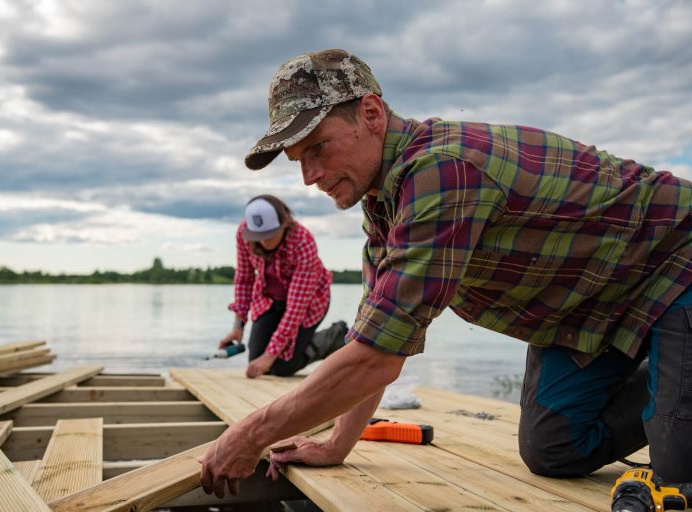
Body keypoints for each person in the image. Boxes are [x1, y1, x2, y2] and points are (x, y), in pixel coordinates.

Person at [199, 48, 692, 497]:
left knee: (679, 477)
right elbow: (374, 334)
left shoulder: (441, 171)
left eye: (318, 148)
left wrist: (252, 433)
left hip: (675, 263)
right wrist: (336, 445)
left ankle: (677, 380)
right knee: (556, 449)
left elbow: (377, 358)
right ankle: (668, 376)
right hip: (590, 305)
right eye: (298, 160)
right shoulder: (383, 204)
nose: (309, 177)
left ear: (371, 114)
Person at [219, 194, 347, 378]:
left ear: (284, 223)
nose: (264, 242)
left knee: (282, 367)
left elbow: (296, 308)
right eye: (259, 236)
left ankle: (336, 335)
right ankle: (286, 350)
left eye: (269, 235)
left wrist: (271, 355)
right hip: (270, 301)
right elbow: (244, 278)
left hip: (308, 303)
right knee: (257, 361)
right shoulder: (244, 232)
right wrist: (238, 325)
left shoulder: (303, 241)